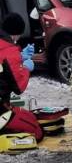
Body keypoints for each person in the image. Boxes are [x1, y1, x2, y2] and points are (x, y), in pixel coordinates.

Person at [0, 13, 43, 142]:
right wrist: (25, 68)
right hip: (1, 110)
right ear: (16, 33)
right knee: (37, 132)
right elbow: (19, 88)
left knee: (31, 117)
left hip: (3, 104)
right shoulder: (9, 51)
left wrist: (19, 58)